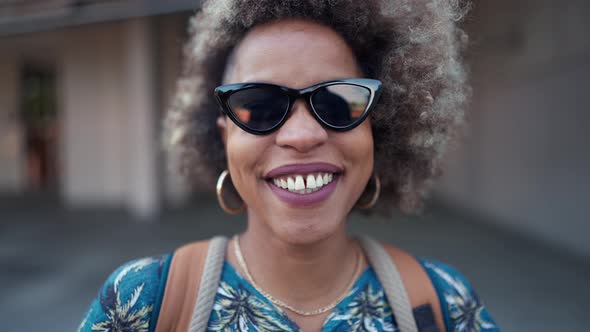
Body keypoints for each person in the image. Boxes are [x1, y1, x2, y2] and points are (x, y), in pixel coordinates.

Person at [78, 1, 499, 331]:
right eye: (259, 106)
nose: (301, 136)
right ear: (224, 134)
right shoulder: (141, 302)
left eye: (338, 101)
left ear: (379, 125)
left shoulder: (445, 304)